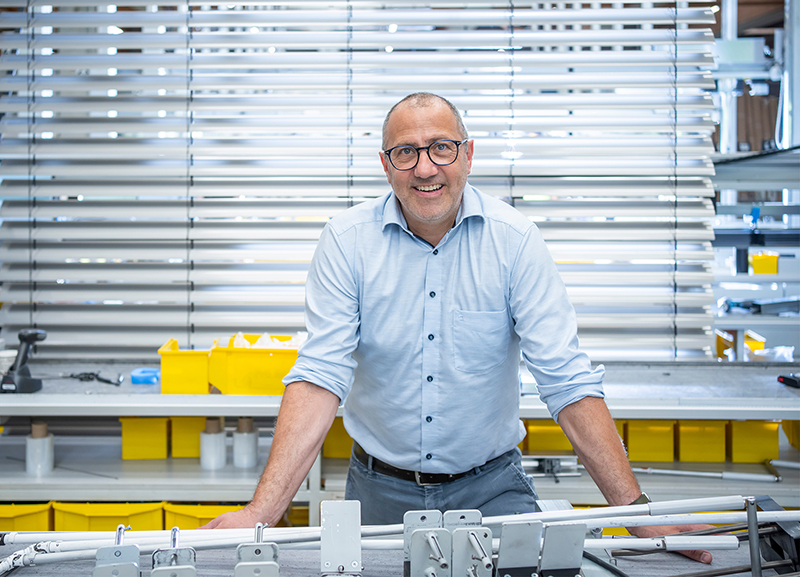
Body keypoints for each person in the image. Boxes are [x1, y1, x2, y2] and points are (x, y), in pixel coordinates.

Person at [201, 92, 712, 564]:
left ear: (468, 155)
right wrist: (260, 513)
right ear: (386, 166)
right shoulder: (346, 242)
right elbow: (320, 376)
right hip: (379, 489)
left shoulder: (515, 242)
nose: (425, 168)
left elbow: (567, 381)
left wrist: (635, 514)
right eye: (405, 152)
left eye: (441, 148)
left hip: (493, 487)